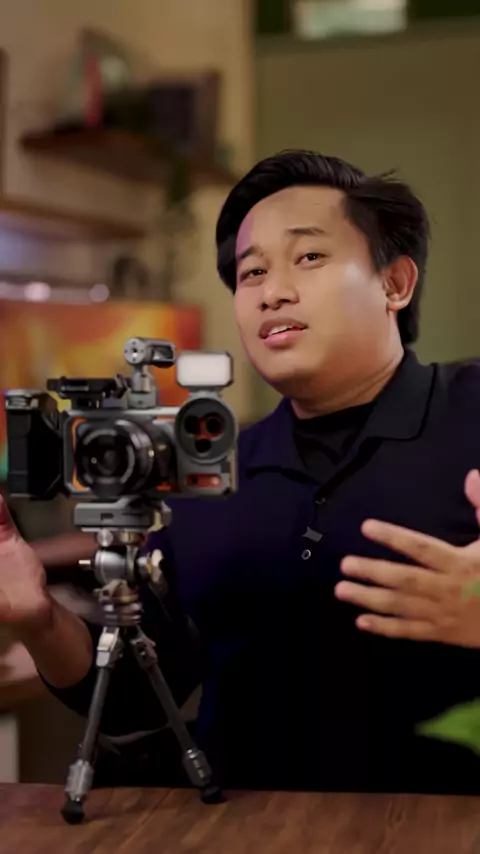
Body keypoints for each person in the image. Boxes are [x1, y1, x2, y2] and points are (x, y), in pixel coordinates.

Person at [3, 150, 480, 794]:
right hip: (245, 828)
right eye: (251, 272)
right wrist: (38, 618)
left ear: (394, 283)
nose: (271, 291)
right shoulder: (209, 472)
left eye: (309, 257)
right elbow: (136, 697)